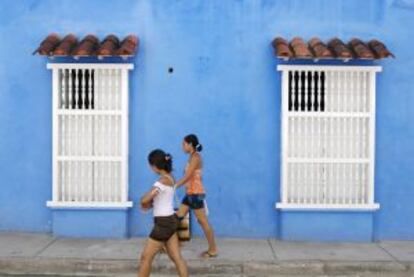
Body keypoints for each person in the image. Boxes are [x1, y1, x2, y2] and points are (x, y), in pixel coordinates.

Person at [138, 149, 188, 277]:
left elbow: (145, 199)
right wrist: (148, 204)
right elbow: (160, 200)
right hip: (171, 220)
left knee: (145, 258)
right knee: (177, 258)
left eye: (150, 165)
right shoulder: (170, 178)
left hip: (163, 224)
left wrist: (143, 202)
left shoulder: (160, 182)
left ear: (154, 166)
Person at [175, 134, 218, 258]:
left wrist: (175, 185)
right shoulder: (192, 157)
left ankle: (213, 249)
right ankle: (174, 243)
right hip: (190, 193)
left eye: (184, 144)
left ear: (190, 144)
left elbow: (188, 175)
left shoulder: (196, 157)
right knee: (178, 217)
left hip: (195, 194)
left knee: (203, 221)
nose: (182, 146)